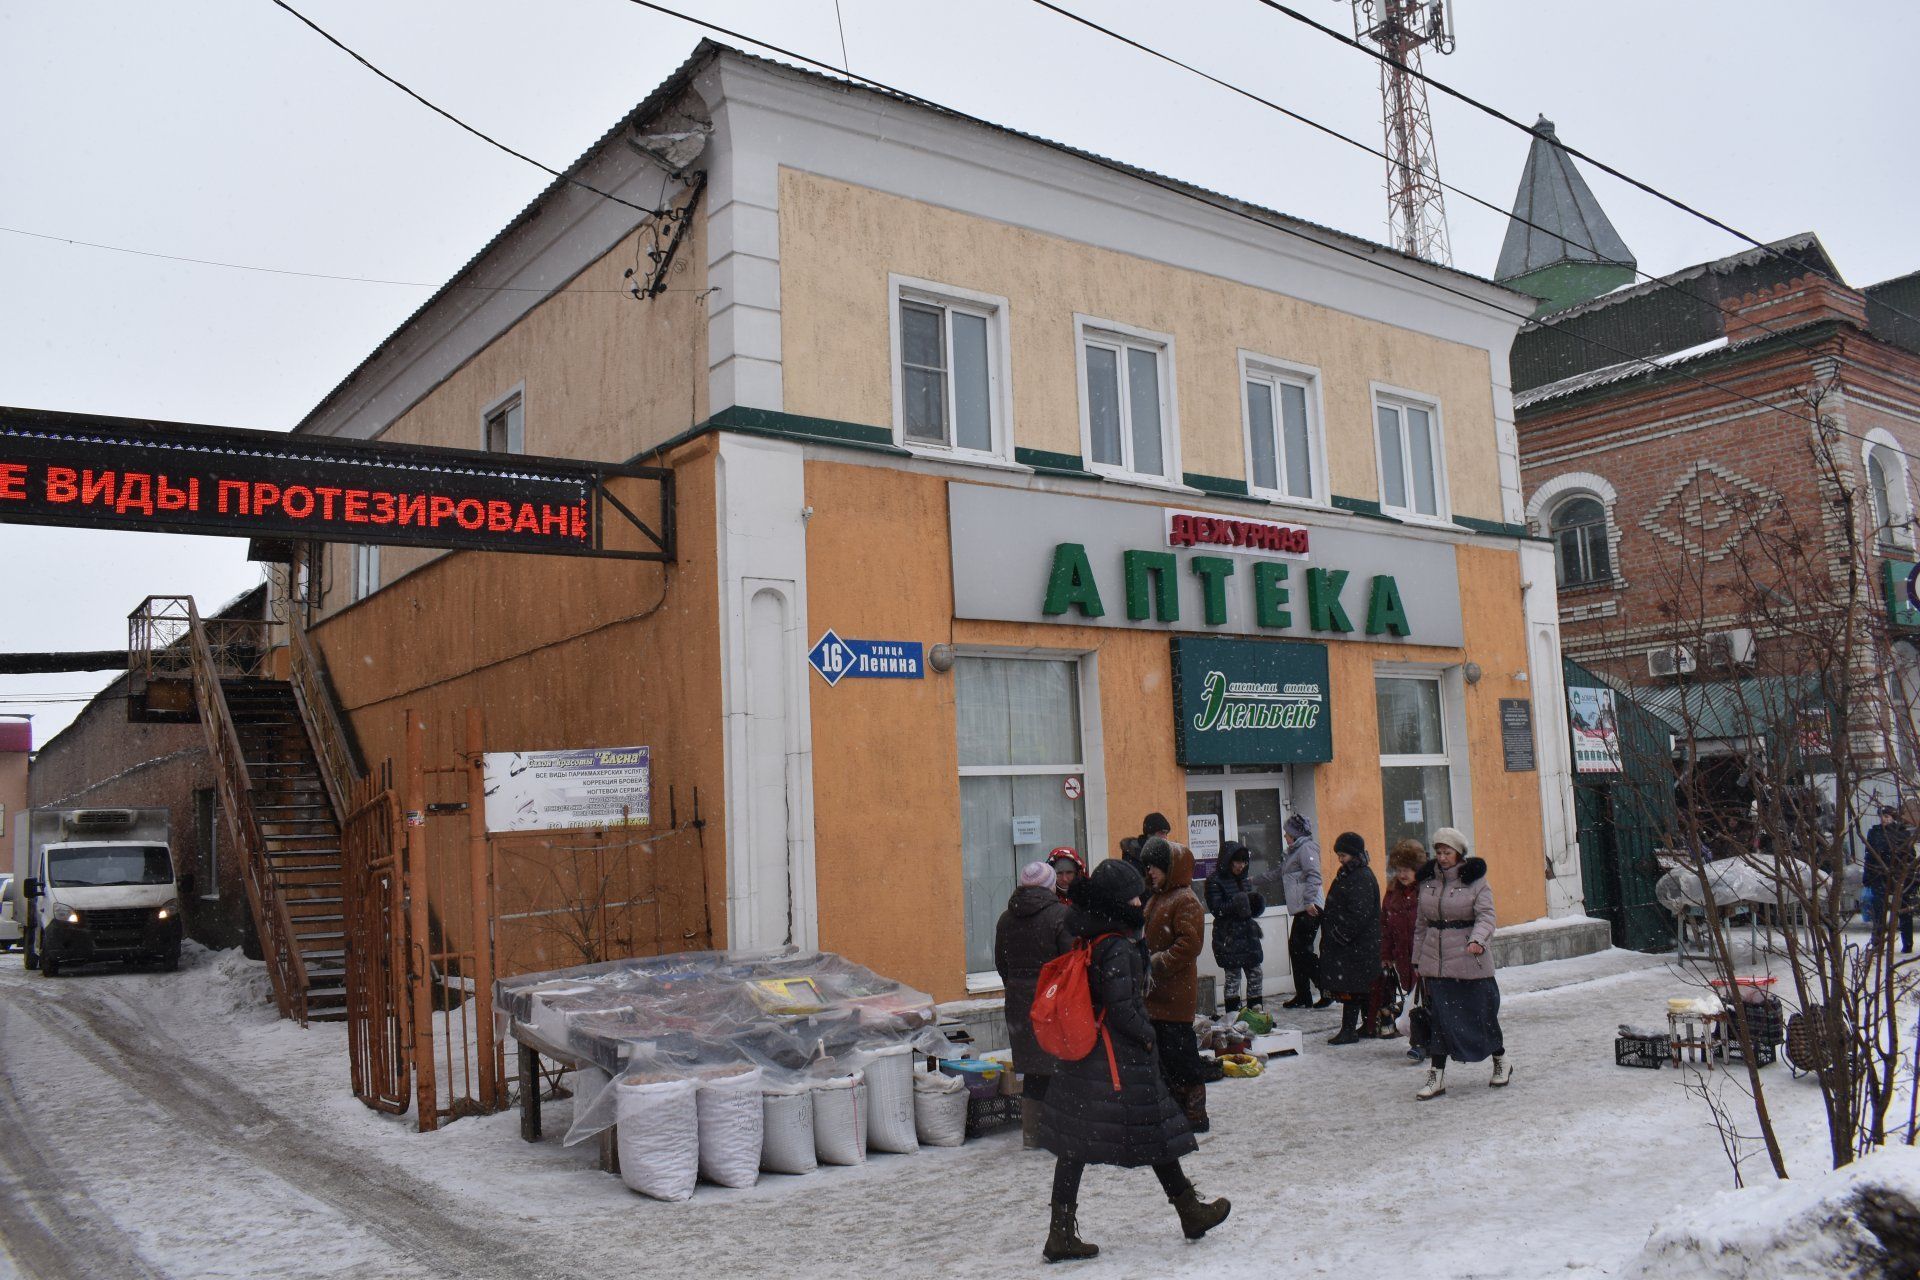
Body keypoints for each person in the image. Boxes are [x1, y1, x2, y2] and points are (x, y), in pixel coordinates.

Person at [1036, 858, 1231, 1263]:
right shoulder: (1118, 946)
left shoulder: (1090, 935)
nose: (1140, 899)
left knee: (1080, 1142)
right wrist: (1148, 1036)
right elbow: (1123, 1009)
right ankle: (1188, 1211)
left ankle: (1062, 1232)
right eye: (1133, 895)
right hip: (1117, 1058)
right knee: (1155, 1126)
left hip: (1086, 1054)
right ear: (1117, 901)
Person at [1411, 828, 1511, 1099]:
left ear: (1459, 854)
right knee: (1441, 1022)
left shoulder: (1476, 881)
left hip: (1470, 961)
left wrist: (1478, 939)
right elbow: (1421, 924)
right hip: (1438, 963)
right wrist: (1417, 958)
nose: (1442, 857)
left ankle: (1500, 1060)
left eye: (1448, 852)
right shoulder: (1428, 881)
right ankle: (1437, 1075)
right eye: (1439, 852)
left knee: (1482, 1016)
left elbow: (1487, 916)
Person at [996, 860, 1075, 1149]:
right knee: (1061, 1064)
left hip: (1018, 1001)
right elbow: (1070, 962)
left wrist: (1018, 986)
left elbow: (1001, 962)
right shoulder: (1060, 915)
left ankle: (1032, 1131)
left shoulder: (1006, 918)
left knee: (1033, 1069)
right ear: (1050, 885)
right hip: (1051, 1000)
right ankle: (1059, 1130)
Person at [1140, 836, 1209, 1134]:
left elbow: (1190, 944)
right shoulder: (1158, 897)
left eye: (1156, 866)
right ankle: (1173, 1113)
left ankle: (1195, 1115)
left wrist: (1158, 962)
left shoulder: (1185, 900)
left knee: (1181, 1058)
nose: (1150, 872)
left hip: (1175, 997)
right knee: (1165, 1059)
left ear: (1171, 867)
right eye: (1149, 867)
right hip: (1155, 995)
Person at [1317, 832, 1382, 1045]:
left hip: (1356, 944)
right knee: (1359, 987)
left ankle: (1350, 1030)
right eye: (1339, 855)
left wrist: (1340, 934)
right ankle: (1367, 1025)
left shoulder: (1360, 876)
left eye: (1343, 855)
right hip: (1356, 943)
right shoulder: (1351, 873)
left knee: (1353, 988)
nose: (1340, 859)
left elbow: (1359, 913)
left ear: (1354, 854)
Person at [1373, 839, 1425, 1056]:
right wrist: (1386, 954)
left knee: (1421, 1001)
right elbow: (1385, 925)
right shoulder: (1393, 892)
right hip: (1403, 957)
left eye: (1407, 869)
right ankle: (1423, 1039)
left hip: (1424, 956)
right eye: (1399, 869)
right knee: (1413, 999)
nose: (1402, 874)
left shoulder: (1426, 891)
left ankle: (1421, 1043)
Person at [1205, 842, 1264, 1014]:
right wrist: (1238, 902)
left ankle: (1255, 1013)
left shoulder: (1244, 879)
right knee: (1233, 977)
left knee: (1255, 973)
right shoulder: (1214, 881)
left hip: (1247, 933)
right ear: (1228, 861)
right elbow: (1217, 909)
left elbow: (1247, 907)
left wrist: (1254, 903)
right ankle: (1233, 1015)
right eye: (1238, 862)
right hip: (1228, 935)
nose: (1241, 866)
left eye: (1244, 862)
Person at [1278, 813, 1330, 1008]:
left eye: (1287, 833)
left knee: (1302, 951)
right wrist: (1253, 881)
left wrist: (1309, 902)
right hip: (1302, 908)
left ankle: (1325, 989)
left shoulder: (1306, 848)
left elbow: (1314, 876)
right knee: (1297, 950)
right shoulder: (1293, 852)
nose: (1284, 836)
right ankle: (1304, 995)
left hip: (1310, 908)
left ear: (1295, 834)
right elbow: (1280, 873)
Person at [1865, 805, 1916, 954]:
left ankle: (1907, 943)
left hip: (1900, 876)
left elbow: (1910, 855)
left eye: (1887, 816)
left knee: (1904, 910)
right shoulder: (1874, 833)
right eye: (1881, 816)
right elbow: (1869, 855)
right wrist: (1867, 877)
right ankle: (1877, 943)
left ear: (1893, 818)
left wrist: (1912, 878)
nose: (1884, 819)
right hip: (1879, 876)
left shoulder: (1902, 833)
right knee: (1878, 911)